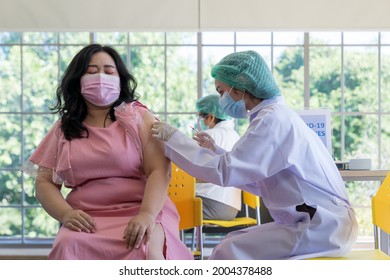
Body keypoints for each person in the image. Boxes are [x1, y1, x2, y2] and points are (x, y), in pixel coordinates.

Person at [151, 50, 358, 260]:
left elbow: (225, 172)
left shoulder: (272, 120)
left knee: (227, 252)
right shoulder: (273, 116)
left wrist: (172, 139)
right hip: (320, 223)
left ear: (240, 88)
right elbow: (255, 179)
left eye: (222, 92)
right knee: (227, 243)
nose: (221, 99)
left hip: (321, 227)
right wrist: (216, 151)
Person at [22, 44, 193, 260]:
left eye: (109, 71)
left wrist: (147, 215)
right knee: (67, 245)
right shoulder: (64, 128)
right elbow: (44, 182)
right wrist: (66, 214)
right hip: (88, 216)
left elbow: (159, 171)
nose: (101, 77)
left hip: (142, 208)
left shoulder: (139, 118)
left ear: (120, 79)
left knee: (146, 250)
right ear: (77, 80)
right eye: (92, 72)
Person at [194, 94, 241, 220]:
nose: (201, 122)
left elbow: (187, 166)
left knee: (167, 209)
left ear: (211, 117)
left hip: (209, 203)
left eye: (201, 117)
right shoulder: (236, 136)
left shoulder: (206, 136)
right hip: (231, 208)